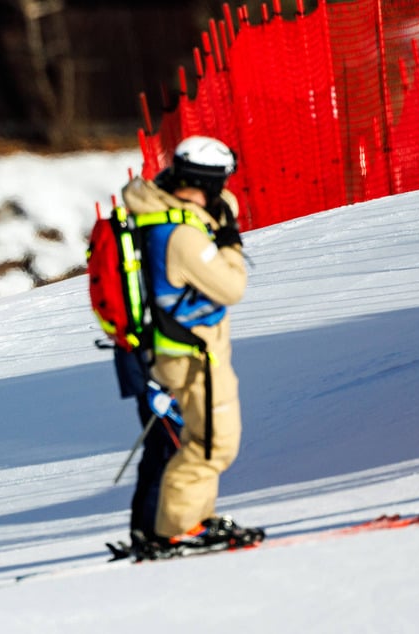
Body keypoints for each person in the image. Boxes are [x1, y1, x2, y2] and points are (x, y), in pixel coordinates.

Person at [121, 135, 262, 556]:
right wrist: (231, 242)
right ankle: (176, 529)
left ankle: (193, 520)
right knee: (212, 445)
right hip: (191, 356)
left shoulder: (162, 215)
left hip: (184, 352)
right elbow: (232, 286)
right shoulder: (181, 234)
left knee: (205, 440)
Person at [112, 346, 183, 548]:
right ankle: (155, 530)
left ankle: (144, 529)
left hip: (147, 371)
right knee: (171, 451)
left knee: (159, 451)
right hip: (152, 374)